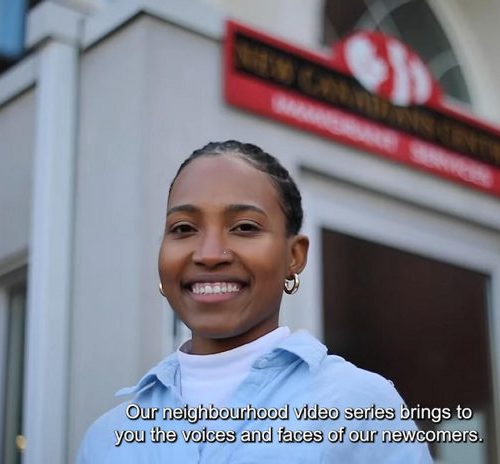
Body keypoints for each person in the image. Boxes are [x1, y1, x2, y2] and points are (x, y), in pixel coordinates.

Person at [77, 140, 433, 463]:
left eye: (245, 227)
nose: (210, 254)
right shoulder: (107, 439)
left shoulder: (359, 405)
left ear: (294, 256)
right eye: (183, 228)